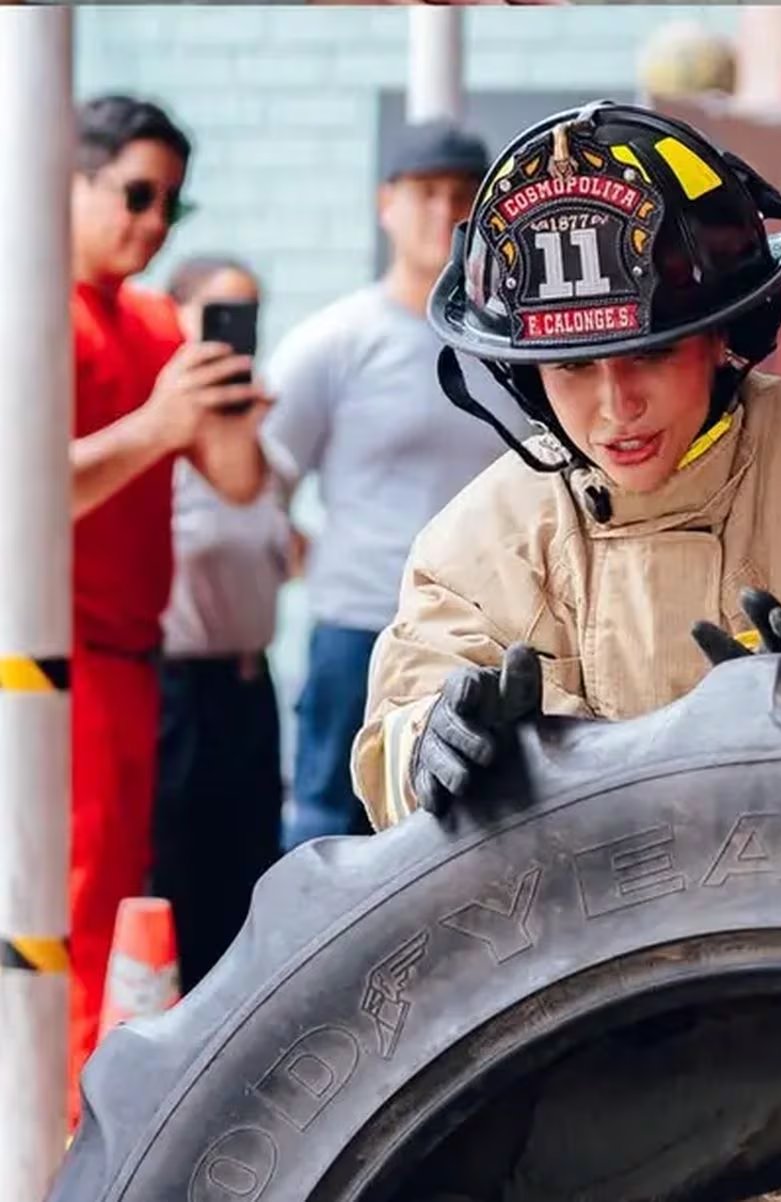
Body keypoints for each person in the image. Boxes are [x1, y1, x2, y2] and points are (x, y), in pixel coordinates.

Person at [348, 101, 781, 1202]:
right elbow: (403, 725)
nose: (616, 406)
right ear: (524, 373)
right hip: (605, 1102)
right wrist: (432, 749)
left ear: (730, 329)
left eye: (650, 353)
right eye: (573, 371)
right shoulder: (484, 536)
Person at [66, 95, 271, 1122]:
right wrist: (161, 424)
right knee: (68, 904)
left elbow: (236, 480)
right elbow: (29, 496)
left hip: (135, 657)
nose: (151, 224)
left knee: (120, 904)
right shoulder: (32, 306)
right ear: (74, 177)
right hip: (53, 663)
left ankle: (85, 1120)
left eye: (170, 208)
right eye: (137, 196)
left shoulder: (151, 319)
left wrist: (223, 409)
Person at [261, 118, 529, 851]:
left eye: (462, 196)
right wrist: (314, 560)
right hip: (359, 627)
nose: (444, 213)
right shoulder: (335, 341)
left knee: (475, 830)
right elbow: (259, 482)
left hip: (489, 634)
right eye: (425, 192)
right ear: (387, 203)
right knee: (330, 828)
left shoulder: (512, 345)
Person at [151, 255, 292, 991]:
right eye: (217, 314)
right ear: (175, 316)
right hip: (179, 687)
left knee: (248, 874)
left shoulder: (254, 442)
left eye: (248, 315)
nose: (235, 334)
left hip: (248, 686)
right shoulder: (159, 435)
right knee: (176, 877)